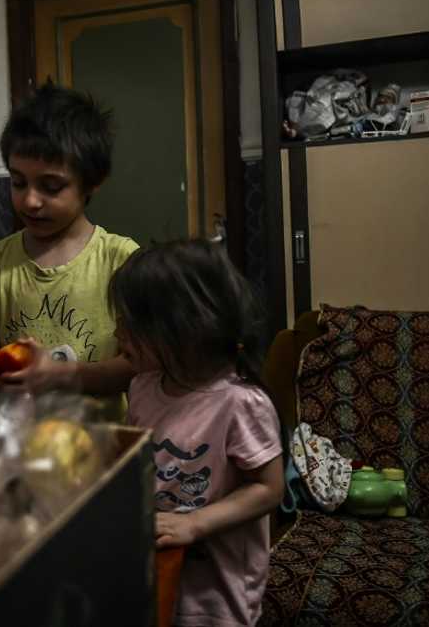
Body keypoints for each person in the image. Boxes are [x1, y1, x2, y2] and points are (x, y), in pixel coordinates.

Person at [111, 239, 284, 626]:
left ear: (183, 327)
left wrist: (195, 523)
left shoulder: (240, 402)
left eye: (130, 323)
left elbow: (269, 488)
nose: (117, 332)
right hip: (156, 568)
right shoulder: (142, 386)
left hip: (215, 593)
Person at [0, 83, 138, 418]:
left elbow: (138, 365)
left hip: (100, 440)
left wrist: (61, 375)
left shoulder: (121, 260)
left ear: (93, 181)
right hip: (22, 437)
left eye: (51, 187)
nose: (30, 201)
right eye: (18, 182)